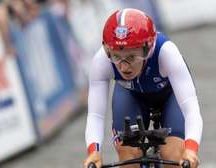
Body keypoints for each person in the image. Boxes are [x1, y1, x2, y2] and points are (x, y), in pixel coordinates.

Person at [83, 8, 202, 168]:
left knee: (174, 157)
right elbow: (96, 115)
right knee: (128, 158)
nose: (123, 67)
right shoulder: (101, 60)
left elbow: (191, 109)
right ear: (107, 49)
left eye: (131, 57)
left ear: (148, 49)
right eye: (116, 56)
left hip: (170, 96)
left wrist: (191, 149)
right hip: (131, 95)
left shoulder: (166, 52)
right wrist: (93, 151)